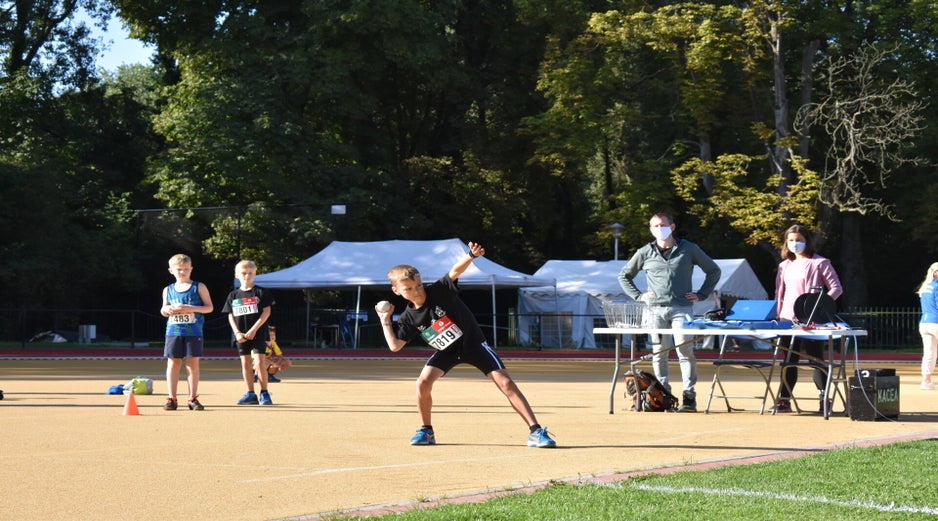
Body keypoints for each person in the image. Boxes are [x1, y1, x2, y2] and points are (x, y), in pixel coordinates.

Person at [376, 241, 556, 448]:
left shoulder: (438, 292)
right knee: (422, 383)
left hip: (474, 345)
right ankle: (426, 431)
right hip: (447, 352)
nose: (416, 291)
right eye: (408, 289)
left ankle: (536, 431)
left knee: (506, 383)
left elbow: (454, 271)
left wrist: (470, 256)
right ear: (396, 291)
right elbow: (395, 346)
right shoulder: (408, 317)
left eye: (418, 285)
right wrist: (385, 320)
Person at [617, 213, 721, 412]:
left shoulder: (689, 249)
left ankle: (689, 396)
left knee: (685, 350)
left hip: (682, 309)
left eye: (662, 225)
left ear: (672, 227)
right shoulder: (644, 252)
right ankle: (661, 395)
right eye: (655, 226)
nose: (659, 229)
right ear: (650, 229)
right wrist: (639, 296)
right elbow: (624, 275)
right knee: (659, 353)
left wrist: (702, 294)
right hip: (654, 311)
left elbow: (714, 270)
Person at [770, 224, 843, 413]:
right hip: (787, 319)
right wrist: (777, 315)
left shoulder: (820, 263)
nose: (795, 243)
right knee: (788, 360)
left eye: (799, 240)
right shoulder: (784, 266)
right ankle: (784, 400)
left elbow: (836, 288)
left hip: (811, 320)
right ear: (786, 242)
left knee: (815, 359)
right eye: (791, 240)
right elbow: (779, 293)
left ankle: (824, 399)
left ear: (807, 241)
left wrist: (819, 307)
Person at [160, 254, 214, 411]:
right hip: (173, 330)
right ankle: (172, 398)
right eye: (179, 269)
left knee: (192, 364)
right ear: (171, 270)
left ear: (191, 269)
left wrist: (191, 308)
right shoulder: (168, 289)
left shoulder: (199, 287)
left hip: (193, 331)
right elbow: (163, 309)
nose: (182, 272)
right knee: (173, 362)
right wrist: (168, 310)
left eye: (186, 269)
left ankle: (193, 398)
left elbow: (209, 307)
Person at [223, 260, 276, 405]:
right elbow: (230, 315)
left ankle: (264, 393)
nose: (247, 276)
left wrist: (254, 330)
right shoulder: (233, 295)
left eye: (250, 273)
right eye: (244, 273)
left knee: (259, 362)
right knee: (245, 363)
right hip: (241, 335)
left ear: (255, 274)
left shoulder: (261, 292)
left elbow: (266, 312)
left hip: (258, 333)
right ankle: (250, 393)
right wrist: (237, 332)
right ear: (237, 275)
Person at [916, 262, 938, 390]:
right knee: (930, 353)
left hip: (925, 323)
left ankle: (926, 381)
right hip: (936, 322)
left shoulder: (925, 287)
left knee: (930, 353)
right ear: (935, 272)